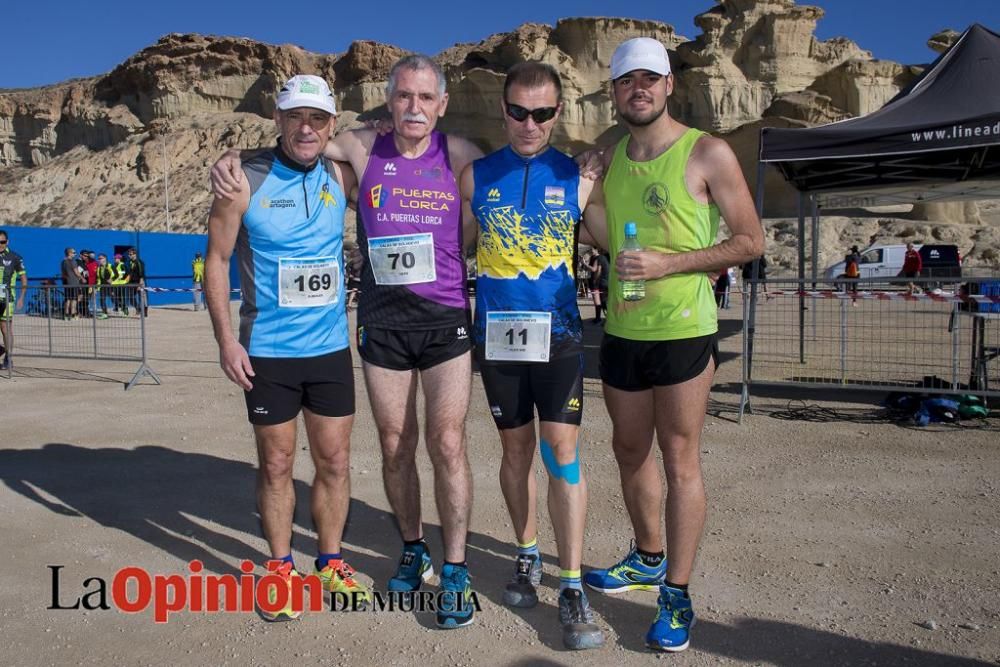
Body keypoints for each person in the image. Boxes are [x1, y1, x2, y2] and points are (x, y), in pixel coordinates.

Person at [212, 55, 485, 629]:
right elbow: (224, 248)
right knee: (360, 449)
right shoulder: (352, 154)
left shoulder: (456, 155)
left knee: (438, 444)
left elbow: (506, 184)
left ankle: (440, 567)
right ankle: (346, 558)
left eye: (425, 98)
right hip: (340, 332)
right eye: (403, 97)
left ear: (441, 103)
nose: (414, 107)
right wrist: (231, 156)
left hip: (417, 326)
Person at [582, 37, 764, 653]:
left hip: (683, 331)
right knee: (629, 449)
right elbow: (601, 237)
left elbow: (749, 242)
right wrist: (583, 191)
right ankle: (648, 557)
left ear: (668, 86)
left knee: (680, 458)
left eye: (649, 79)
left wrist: (670, 264)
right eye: (626, 80)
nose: (639, 88)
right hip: (622, 331)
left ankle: (678, 595)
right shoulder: (607, 160)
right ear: (613, 92)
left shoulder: (706, 152)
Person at [204, 74, 369, 621]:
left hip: (328, 351)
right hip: (269, 351)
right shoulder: (243, 180)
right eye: (295, 116)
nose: (306, 127)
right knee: (276, 464)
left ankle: (330, 560)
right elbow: (218, 262)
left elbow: (392, 137)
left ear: (330, 126)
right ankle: (279, 567)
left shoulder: (337, 173)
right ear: (277, 119)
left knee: (336, 462)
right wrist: (227, 341)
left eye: (317, 118)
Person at [459, 61, 608, 650]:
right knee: (515, 449)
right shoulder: (477, 176)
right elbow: (457, 248)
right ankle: (526, 555)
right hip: (498, 339)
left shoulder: (576, 174)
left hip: (561, 337)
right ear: (503, 109)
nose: (529, 123)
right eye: (519, 111)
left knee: (562, 450)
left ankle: (571, 582)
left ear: (557, 114)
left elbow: (605, 233)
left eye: (543, 113)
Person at [0, 229, 27, 370]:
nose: (0, 244)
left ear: (7, 242)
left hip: (7, 297)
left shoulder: (15, 257)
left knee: (5, 328)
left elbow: (23, 279)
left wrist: (21, 298)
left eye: (2, 242)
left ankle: (8, 358)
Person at [60, 247, 84, 320]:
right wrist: (82, 278)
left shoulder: (63, 262)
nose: (75, 254)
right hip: (74, 282)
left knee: (67, 299)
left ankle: (66, 315)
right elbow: (76, 272)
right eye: (74, 252)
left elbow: (63, 273)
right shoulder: (73, 261)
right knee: (74, 299)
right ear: (69, 253)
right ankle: (73, 314)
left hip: (67, 283)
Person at [588, 251, 609, 323]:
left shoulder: (599, 258)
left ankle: (599, 318)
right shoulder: (606, 257)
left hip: (599, 282)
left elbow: (596, 270)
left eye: (591, 249)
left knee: (599, 301)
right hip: (606, 282)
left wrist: (595, 280)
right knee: (604, 301)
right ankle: (604, 319)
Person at [125, 247, 147, 317]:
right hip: (132, 283)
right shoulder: (130, 262)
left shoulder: (139, 262)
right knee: (130, 296)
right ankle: (138, 308)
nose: (129, 256)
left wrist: (140, 284)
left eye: (131, 254)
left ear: (135, 254)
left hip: (139, 282)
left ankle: (145, 312)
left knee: (142, 297)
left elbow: (142, 274)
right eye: (129, 254)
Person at [95, 253, 114, 319]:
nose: (99, 260)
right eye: (99, 259)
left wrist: (112, 279)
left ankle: (123, 306)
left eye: (101, 258)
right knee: (102, 300)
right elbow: (99, 279)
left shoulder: (110, 266)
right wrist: (97, 287)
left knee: (114, 299)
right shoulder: (99, 268)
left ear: (105, 259)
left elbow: (117, 274)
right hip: (103, 286)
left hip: (110, 286)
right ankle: (105, 313)